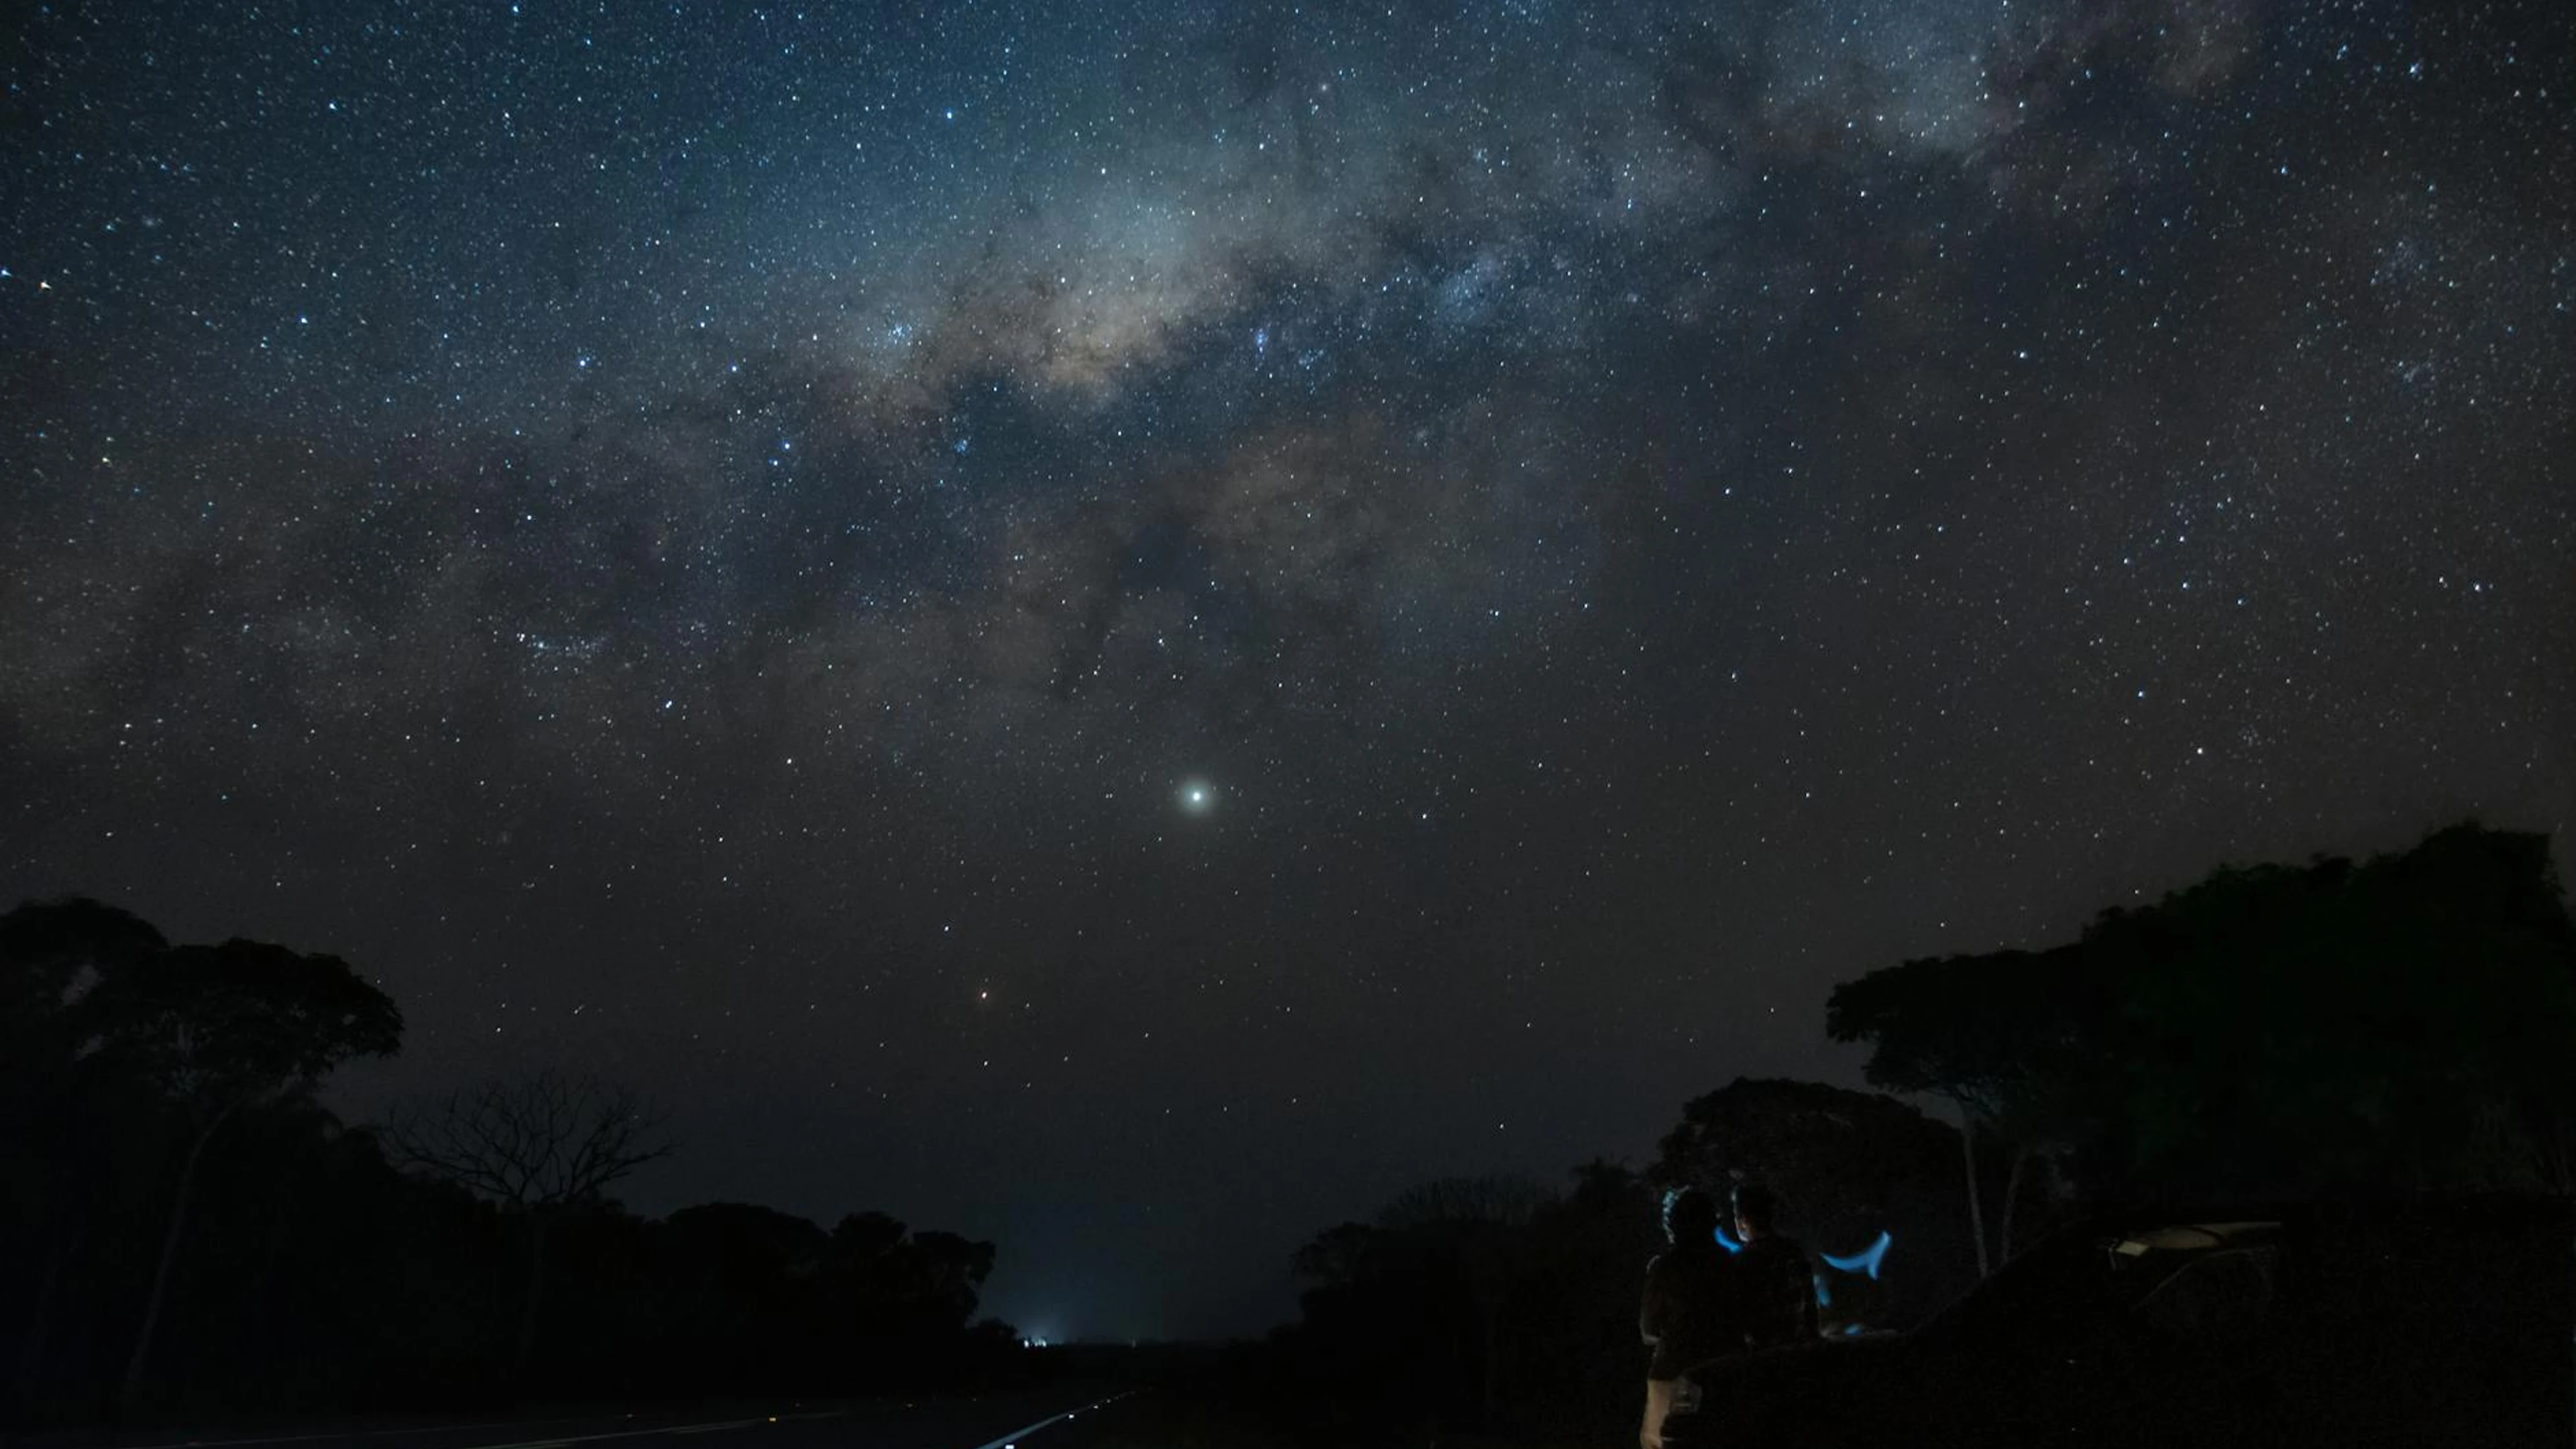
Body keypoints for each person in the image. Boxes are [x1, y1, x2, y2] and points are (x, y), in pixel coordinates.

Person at [1640, 1185, 1735, 1449]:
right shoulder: (1728, 1263)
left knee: (1658, 1442)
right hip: (1720, 1369)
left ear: (1674, 1225)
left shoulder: (1663, 1268)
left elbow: (1648, 1329)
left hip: (1671, 1371)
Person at [1729, 1181, 1819, 1350]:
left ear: (1742, 1220)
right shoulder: (1795, 1253)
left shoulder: (1741, 1262)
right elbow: (1811, 1312)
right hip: (1798, 1352)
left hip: (1763, 1359)